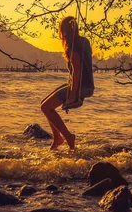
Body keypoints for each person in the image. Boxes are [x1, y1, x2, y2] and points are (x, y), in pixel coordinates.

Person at [40, 16, 94, 150]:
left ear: (63, 32)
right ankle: (57, 138)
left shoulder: (72, 47)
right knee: (44, 104)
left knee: (46, 108)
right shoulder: (84, 41)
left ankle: (67, 137)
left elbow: (77, 71)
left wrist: (73, 94)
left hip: (81, 87)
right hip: (87, 86)